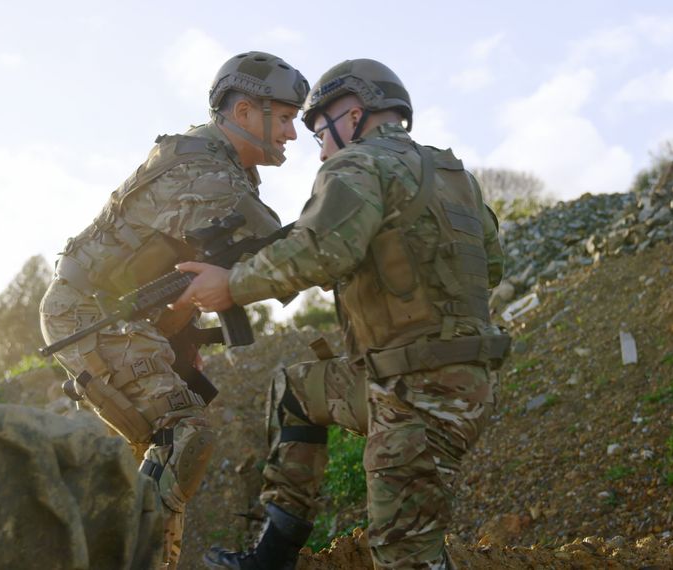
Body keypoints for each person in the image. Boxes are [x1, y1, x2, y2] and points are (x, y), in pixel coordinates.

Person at [177, 59, 510, 570]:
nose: (321, 149)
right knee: (297, 391)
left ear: (352, 116)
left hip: (415, 399)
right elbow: (491, 266)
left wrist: (231, 285)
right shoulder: (455, 176)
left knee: (404, 558)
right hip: (449, 382)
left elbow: (318, 251)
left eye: (320, 133)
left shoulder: (356, 165)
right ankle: (270, 558)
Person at [38, 51, 308, 569]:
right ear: (246, 111)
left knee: (169, 442)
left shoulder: (217, 164)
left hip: (128, 315)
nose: (293, 134)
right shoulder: (205, 172)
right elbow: (287, 255)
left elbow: (199, 266)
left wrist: (182, 333)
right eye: (288, 117)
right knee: (184, 432)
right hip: (89, 316)